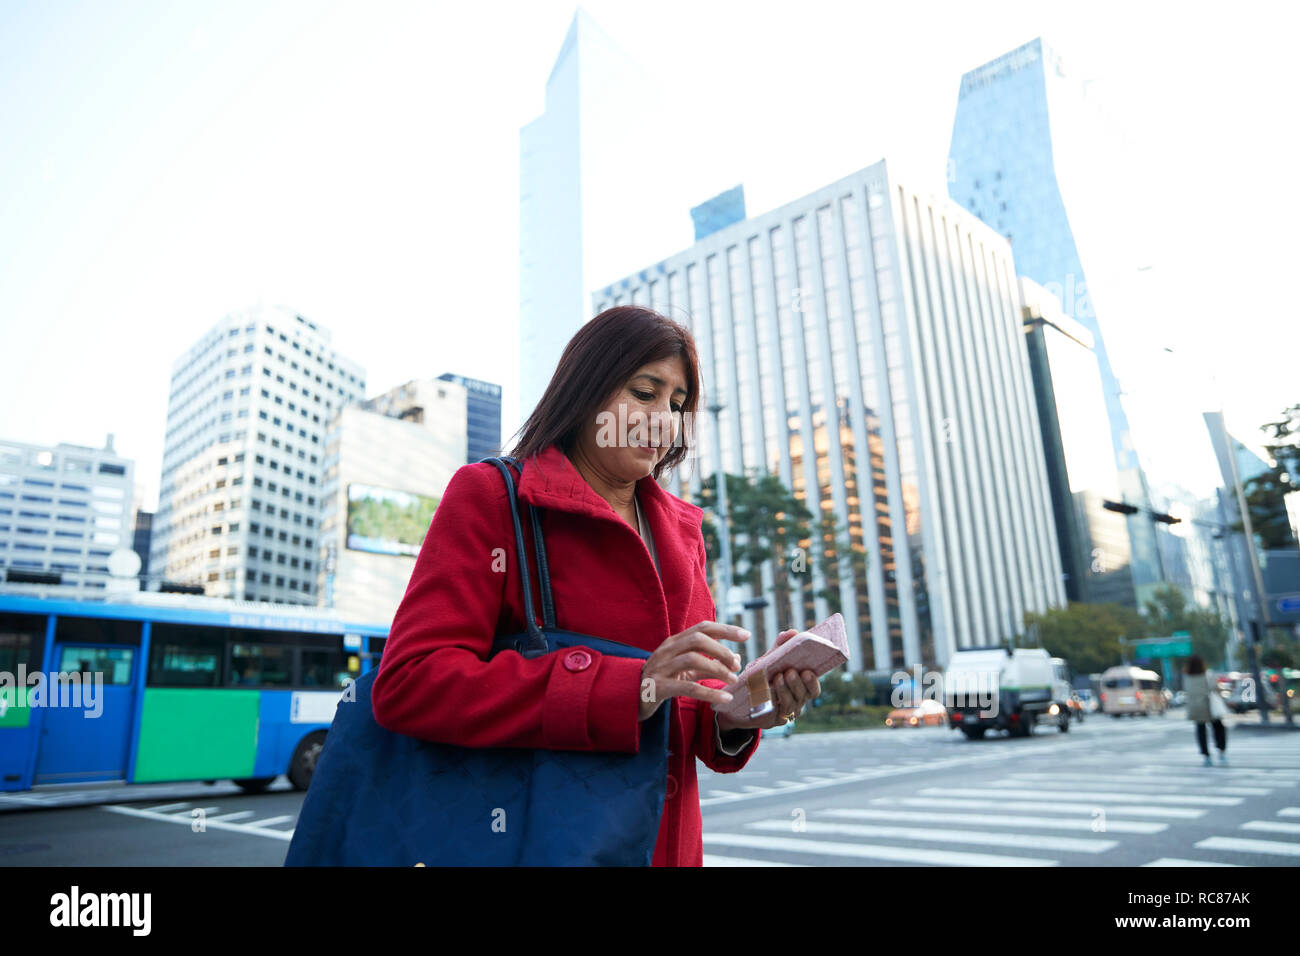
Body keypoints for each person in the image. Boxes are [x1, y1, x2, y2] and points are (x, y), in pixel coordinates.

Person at [370, 306, 822, 867]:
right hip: (534, 843)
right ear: (586, 389)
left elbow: (685, 716)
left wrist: (742, 708)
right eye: (645, 392)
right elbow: (410, 684)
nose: (664, 419)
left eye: (678, 405)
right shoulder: (491, 497)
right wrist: (625, 689)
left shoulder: (684, 535)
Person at [1183, 654, 1227, 766]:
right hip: (1209, 706)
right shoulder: (1207, 675)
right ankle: (1221, 750)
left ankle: (1206, 755)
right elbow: (1215, 688)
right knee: (1218, 728)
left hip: (1195, 708)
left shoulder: (1187, 677)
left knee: (1200, 730)